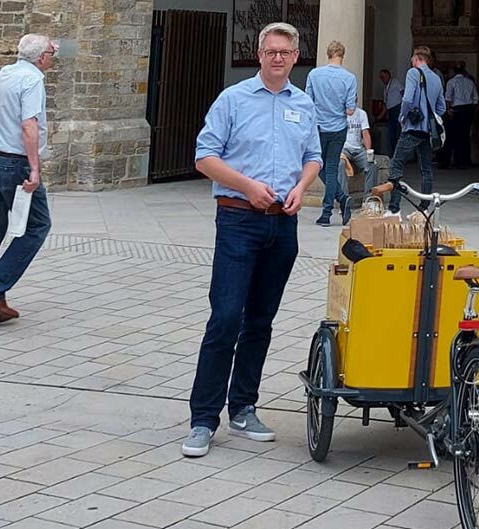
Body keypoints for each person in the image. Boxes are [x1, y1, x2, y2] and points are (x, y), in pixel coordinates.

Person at [184, 22, 323, 458]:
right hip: (239, 220)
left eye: (285, 52)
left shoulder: (304, 104)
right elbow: (204, 156)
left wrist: (303, 186)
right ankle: (204, 419)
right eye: (270, 51)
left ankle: (243, 406)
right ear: (259, 54)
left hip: (282, 225)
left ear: (296, 57)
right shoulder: (234, 99)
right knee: (225, 317)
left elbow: (314, 156)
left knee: (260, 321)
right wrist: (246, 186)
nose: (278, 58)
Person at [0, 34, 56, 328]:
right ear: (42, 58)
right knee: (37, 226)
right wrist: (35, 169)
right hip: (15, 163)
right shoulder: (33, 80)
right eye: (51, 53)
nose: (53, 58)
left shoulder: (6, 73)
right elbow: (28, 125)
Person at [306, 40, 358, 226]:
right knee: (330, 168)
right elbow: (350, 110)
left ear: (328, 54)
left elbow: (308, 102)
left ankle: (328, 211)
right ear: (342, 56)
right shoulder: (349, 78)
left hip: (318, 127)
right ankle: (340, 200)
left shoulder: (314, 74)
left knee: (317, 166)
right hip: (338, 128)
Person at [388, 45, 445, 214]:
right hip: (428, 132)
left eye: (412, 58)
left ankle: (394, 208)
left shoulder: (413, 73)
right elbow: (441, 107)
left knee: (396, 165)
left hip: (413, 128)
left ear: (417, 58)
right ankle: (425, 207)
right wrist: (430, 117)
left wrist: (403, 117)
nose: (411, 61)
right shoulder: (436, 78)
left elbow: (406, 99)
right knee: (426, 169)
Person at [443, 62, 479, 169]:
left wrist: (448, 109)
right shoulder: (470, 82)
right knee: (464, 136)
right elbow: (475, 99)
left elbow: (448, 98)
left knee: (451, 137)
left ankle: (448, 161)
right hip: (467, 110)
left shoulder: (451, 82)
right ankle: (464, 161)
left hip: (456, 111)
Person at [342, 108, 377, 192]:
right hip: (343, 149)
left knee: (372, 164)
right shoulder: (338, 113)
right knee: (340, 164)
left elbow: (365, 133)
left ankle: (368, 199)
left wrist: (369, 152)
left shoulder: (361, 113)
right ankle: (344, 199)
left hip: (359, 149)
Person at [377, 68, 404, 156]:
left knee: (397, 133)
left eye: (383, 76)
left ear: (388, 75)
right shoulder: (385, 89)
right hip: (391, 111)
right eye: (380, 77)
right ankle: (392, 154)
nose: (382, 79)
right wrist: (380, 116)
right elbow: (386, 104)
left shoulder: (395, 82)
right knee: (391, 134)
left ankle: (398, 154)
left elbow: (403, 93)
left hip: (398, 109)